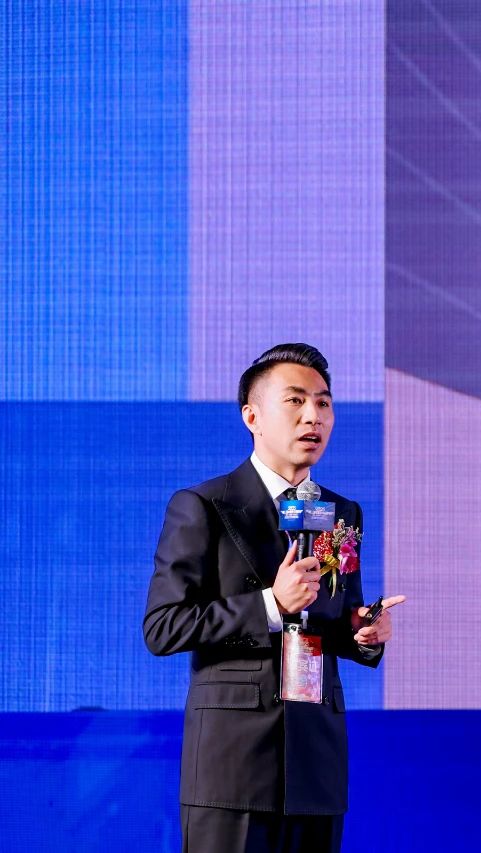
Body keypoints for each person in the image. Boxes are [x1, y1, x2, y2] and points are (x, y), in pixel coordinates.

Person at [143, 343, 405, 853]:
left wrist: (363, 632)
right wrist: (269, 604)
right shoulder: (204, 505)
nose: (313, 416)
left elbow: (334, 618)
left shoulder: (341, 512)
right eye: (296, 401)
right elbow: (163, 627)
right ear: (253, 416)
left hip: (316, 759)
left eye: (324, 403)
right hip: (233, 765)